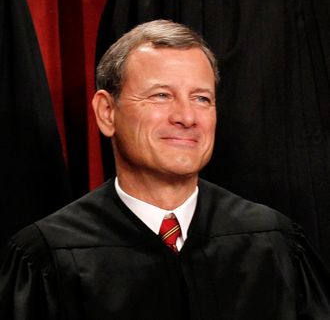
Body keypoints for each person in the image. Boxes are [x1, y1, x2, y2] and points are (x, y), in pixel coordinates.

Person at [0, 20, 329, 320]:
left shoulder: (276, 243)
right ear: (106, 112)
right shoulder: (46, 257)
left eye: (201, 98)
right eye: (161, 95)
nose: (187, 117)